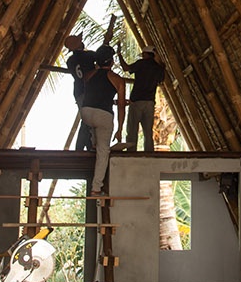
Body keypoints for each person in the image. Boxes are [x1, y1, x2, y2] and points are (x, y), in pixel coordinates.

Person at [78, 44, 126, 198]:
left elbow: (95, 93)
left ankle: (92, 142)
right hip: (103, 116)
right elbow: (121, 107)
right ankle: (96, 188)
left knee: (93, 125)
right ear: (111, 62)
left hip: (85, 113)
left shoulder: (89, 76)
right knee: (103, 151)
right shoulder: (118, 80)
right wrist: (119, 129)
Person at [117, 46, 166, 151]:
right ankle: (149, 153)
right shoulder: (159, 68)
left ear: (146, 54)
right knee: (148, 132)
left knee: (132, 130)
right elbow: (161, 80)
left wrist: (119, 55)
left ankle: (131, 152)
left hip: (137, 101)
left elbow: (126, 68)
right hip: (150, 102)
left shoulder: (141, 64)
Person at [64, 33, 95, 150]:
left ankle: (86, 145)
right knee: (88, 120)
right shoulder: (89, 56)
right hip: (90, 91)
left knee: (86, 119)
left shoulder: (70, 61)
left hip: (78, 91)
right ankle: (81, 146)